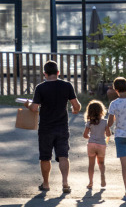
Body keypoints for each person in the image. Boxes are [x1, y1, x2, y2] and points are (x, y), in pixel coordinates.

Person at [25, 60, 81, 193]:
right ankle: (65, 183)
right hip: (62, 127)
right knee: (63, 155)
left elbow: (33, 108)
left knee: (45, 157)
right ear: (58, 72)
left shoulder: (40, 88)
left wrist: (27, 104)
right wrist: (75, 109)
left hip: (45, 127)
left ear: (44, 74)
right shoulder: (67, 86)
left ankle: (45, 184)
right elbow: (76, 105)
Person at [83, 100, 111, 190]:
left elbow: (85, 135)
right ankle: (102, 176)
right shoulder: (105, 122)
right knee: (101, 163)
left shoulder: (89, 123)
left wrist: (90, 138)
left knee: (91, 164)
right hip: (101, 144)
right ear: (101, 111)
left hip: (91, 144)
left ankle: (90, 182)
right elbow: (108, 134)